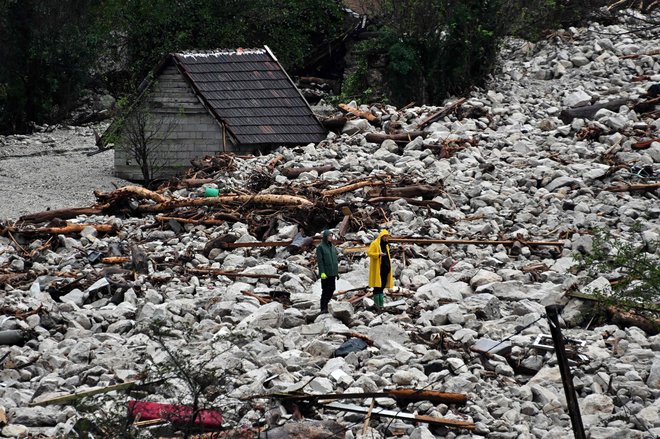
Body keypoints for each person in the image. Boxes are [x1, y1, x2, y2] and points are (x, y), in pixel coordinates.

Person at [368, 229, 393, 309]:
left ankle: (381, 305)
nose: (386, 238)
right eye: (385, 236)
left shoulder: (386, 245)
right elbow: (369, 253)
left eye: (387, 236)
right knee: (377, 287)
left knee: (382, 286)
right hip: (378, 270)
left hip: (385, 269)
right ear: (381, 236)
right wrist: (378, 254)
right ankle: (377, 305)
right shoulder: (375, 243)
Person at [316, 229, 339, 313]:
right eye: (329, 236)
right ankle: (323, 308)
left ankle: (326, 304)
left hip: (332, 272)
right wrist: (322, 272)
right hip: (325, 273)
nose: (331, 237)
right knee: (325, 290)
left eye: (331, 236)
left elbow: (335, 260)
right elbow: (320, 261)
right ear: (325, 237)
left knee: (332, 288)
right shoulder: (320, 247)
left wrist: (337, 272)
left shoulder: (332, 247)